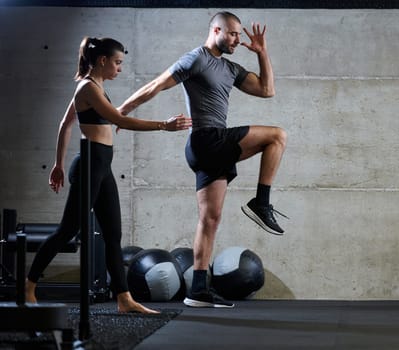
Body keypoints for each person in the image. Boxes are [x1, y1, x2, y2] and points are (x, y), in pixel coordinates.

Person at [118, 11, 287, 308]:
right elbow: (155, 85)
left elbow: (267, 90)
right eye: (233, 34)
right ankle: (261, 201)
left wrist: (262, 53)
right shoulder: (195, 59)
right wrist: (120, 112)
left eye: (239, 35)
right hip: (207, 140)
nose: (238, 40)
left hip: (212, 146)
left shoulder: (230, 68)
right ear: (217, 30)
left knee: (210, 220)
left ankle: (197, 290)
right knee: (277, 136)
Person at [25, 36, 192, 313]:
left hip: (101, 166)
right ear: (102, 61)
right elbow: (119, 120)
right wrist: (164, 125)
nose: (120, 68)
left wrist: (58, 164)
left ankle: (124, 298)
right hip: (90, 163)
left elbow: (66, 123)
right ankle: (28, 285)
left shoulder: (95, 87)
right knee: (68, 230)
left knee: (113, 234)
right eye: (117, 62)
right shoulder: (87, 88)